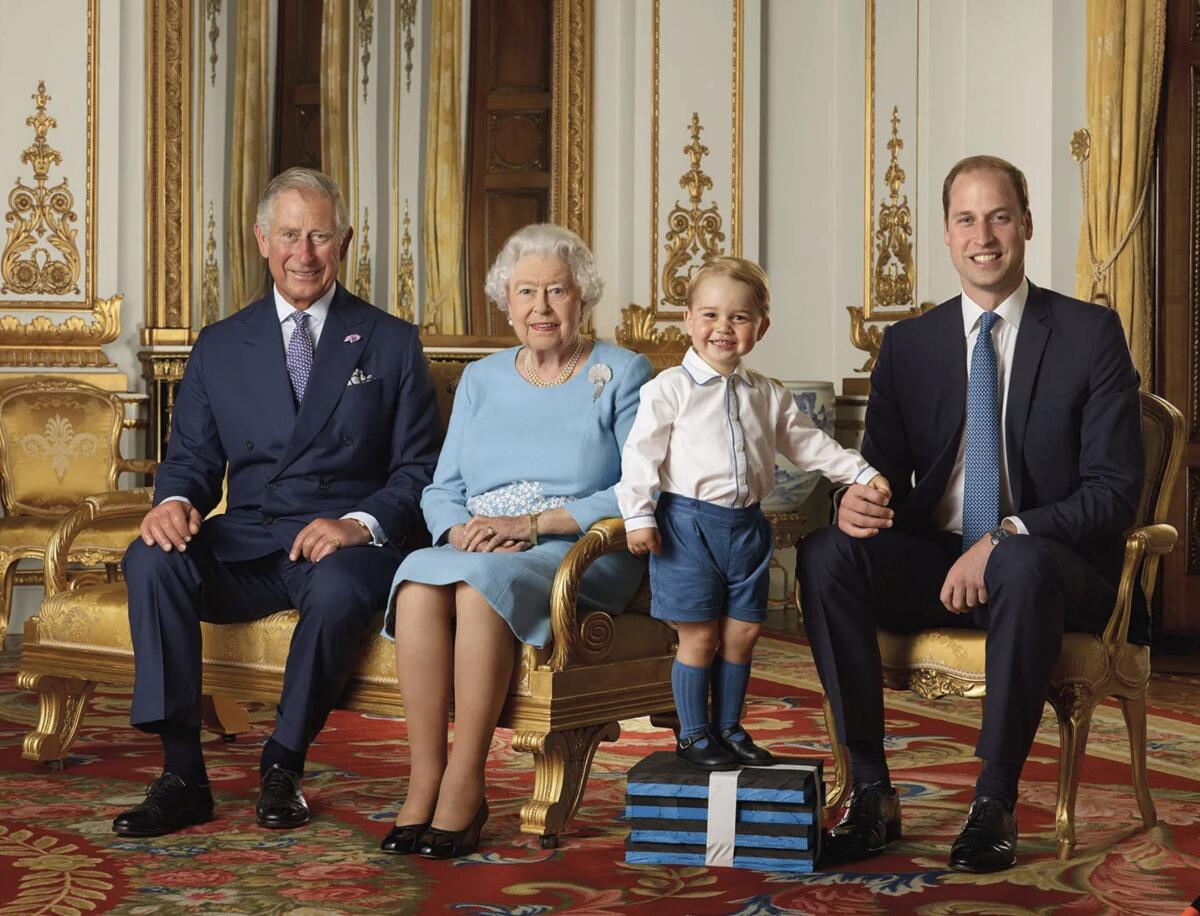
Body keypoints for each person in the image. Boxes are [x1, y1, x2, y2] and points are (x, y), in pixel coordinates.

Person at [797, 155, 1144, 873]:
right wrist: (853, 500)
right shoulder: (910, 345)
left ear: (1026, 225)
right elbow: (881, 475)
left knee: (1018, 559)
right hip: (939, 559)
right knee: (828, 551)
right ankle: (870, 792)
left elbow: (1113, 491)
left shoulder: (1088, 335)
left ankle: (993, 802)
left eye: (999, 216)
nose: (983, 234)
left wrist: (1008, 532)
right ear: (946, 236)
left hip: (1053, 566)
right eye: (966, 219)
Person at [113, 167, 441, 838]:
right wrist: (173, 501)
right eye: (290, 234)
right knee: (152, 558)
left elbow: (419, 471)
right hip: (254, 535)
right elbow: (193, 463)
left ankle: (282, 765)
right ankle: (183, 775)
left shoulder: (392, 341)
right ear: (262, 239)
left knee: (341, 587)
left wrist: (358, 524)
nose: (305, 252)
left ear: (345, 241)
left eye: (319, 235)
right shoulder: (220, 344)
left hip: (344, 541)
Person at [379, 223, 652, 859]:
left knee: (479, 590)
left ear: (582, 297)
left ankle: (466, 781)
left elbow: (639, 488)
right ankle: (426, 777)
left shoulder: (621, 371)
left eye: (557, 291)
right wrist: (458, 530)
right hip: (480, 543)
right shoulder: (481, 378)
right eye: (525, 291)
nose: (541, 307)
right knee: (419, 579)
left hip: (576, 551)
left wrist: (534, 525)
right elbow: (440, 487)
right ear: (506, 300)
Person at [616, 256, 889, 771]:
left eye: (739, 318)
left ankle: (729, 726)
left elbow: (809, 445)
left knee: (742, 632)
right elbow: (640, 456)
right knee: (698, 635)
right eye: (710, 316)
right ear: (689, 322)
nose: (723, 328)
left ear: (760, 328)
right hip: (687, 526)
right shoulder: (667, 390)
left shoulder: (766, 393)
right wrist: (638, 516)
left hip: (747, 528)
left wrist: (858, 472)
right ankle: (693, 734)